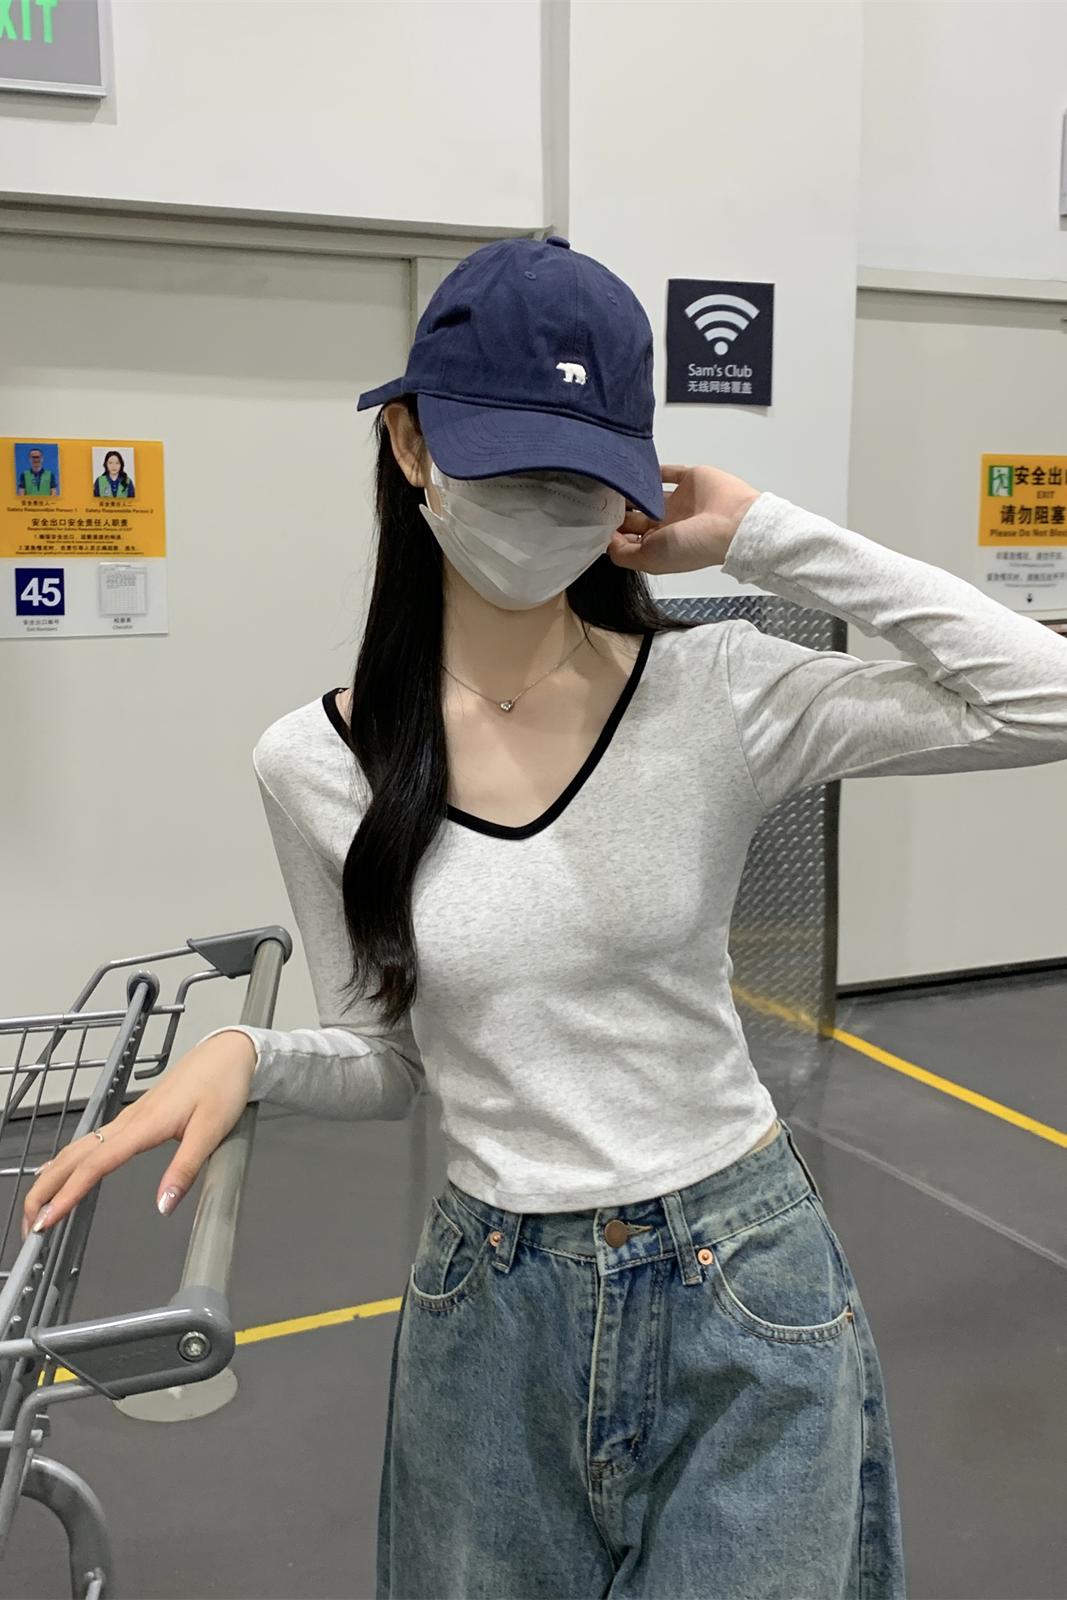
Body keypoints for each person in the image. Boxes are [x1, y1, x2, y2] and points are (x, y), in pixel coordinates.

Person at [23, 236, 1067, 1599]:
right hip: (491, 1308)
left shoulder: (721, 692)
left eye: (580, 476)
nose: (542, 509)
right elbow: (396, 1059)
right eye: (508, 467)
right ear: (410, 444)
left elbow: (1042, 697)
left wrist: (765, 535)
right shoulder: (315, 765)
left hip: (743, 1283)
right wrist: (251, 1056)